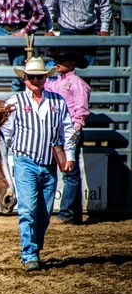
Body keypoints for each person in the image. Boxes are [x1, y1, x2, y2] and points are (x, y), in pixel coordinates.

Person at [1, 57, 76, 272]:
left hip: (49, 163)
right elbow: (6, 136)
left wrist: (69, 156)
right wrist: (5, 164)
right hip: (24, 161)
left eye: (39, 76)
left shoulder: (58, 101)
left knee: (44, 213)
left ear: (45, 78)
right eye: (31, 76)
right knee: (27, 210)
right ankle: (29, 253)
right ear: (25, 79)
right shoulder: (14, 102)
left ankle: (34, 247)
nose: (35, 80)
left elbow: (67, 130)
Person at [44, 50, 90, 225]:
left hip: (69, 131)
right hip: (59, 131)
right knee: (70, 172)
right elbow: (43, 86)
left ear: (72, 63)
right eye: (57, 60)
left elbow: (81, 111)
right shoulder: (56, 83)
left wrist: (75, 131)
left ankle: (67, 214)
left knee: (70, 172)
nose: (57, 63)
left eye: (62, 60)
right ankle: (72, 214)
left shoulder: (77, 84)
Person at [44, 0, 112, 66]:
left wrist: (104, 29)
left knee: (87, 69)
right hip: (67, 32)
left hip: (88, 32)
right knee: (67, 69)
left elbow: (105, 6)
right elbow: (48, 8)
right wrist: (50, 29)